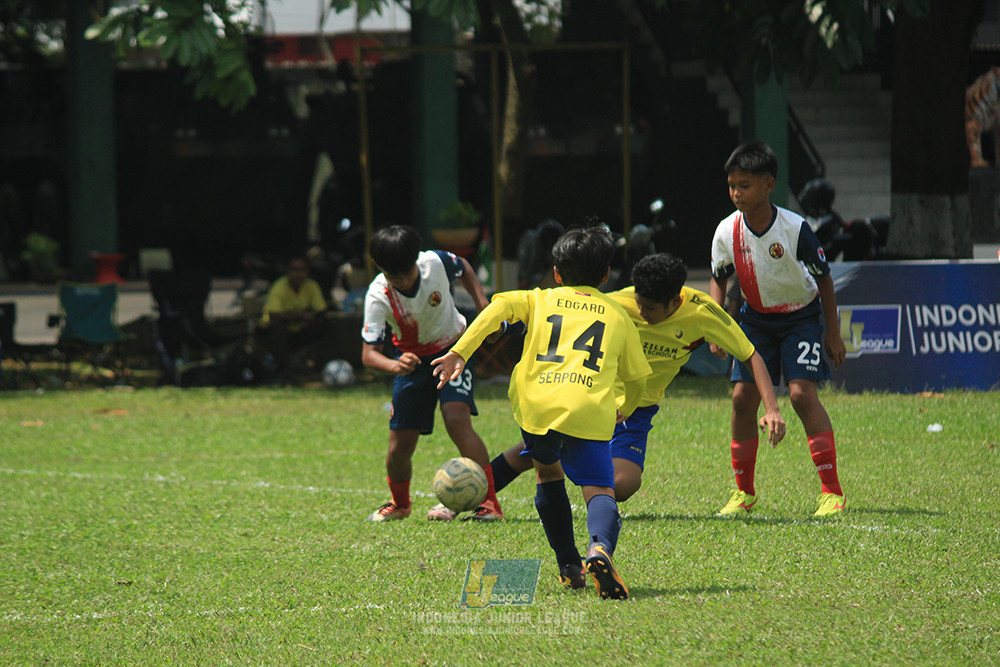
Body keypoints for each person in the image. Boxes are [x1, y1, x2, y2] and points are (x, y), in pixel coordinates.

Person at [432, 225, 651, 600]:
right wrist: (625, 407)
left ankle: (569, 565)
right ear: (605, 275)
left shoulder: (538, 299)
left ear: (557, 273)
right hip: (587, 406)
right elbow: (637, 379)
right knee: (599, 488)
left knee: (547, 473)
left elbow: (495, 309)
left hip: (538, 405)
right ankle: (599, 548)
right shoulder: (618, 315)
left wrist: (460, 352)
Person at [484, 252, 786, 504]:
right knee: (533, 453)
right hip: (594, 398)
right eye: (639, 303)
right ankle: (480, 492)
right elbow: (567, 316)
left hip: (636, 409)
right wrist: (507, 328)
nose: (641, 312)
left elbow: (751, 355)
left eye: (650, 308)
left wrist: (772, 408)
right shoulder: (617, 301)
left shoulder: (703, 313)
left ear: (675, 302)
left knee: (623, 484)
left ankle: (562, 457)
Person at [708, 141, 848, 518]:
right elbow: (719, 278)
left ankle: (831, 492)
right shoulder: (726, 231)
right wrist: (717, 326)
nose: (736, 193)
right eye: (732, 185)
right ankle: (744, 492)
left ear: (769, 185)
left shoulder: (794, 228)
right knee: (742, 399)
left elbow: (824, 280)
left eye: (745, 185)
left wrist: (833, 333)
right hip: (755, 320)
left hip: (800, 317)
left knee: (801, 395)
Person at [361, 225, 504, 522]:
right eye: (394, 276)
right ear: (379, 267)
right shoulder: (377, 295)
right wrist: (394, 365)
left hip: (454, 351)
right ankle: (400, 504)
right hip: (411, 365)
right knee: (398, 449)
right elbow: (368, 355)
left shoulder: (435, 263)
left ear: (416, 258)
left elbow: (463, 267)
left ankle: (489, 503)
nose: (403, 281)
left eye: (407, 273)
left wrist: (483, 307)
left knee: (456, 419)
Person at [259, 254, 329, 383]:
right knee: (276, 327)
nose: (299, 274)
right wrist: (300, 316)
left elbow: (321, 311)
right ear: (288, 271)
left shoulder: (311, 285)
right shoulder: (279, 286)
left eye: (303, 269)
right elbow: (274, 314)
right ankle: (283, 372)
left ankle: (319, 368)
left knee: (325, 325)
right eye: (295, 270)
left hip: (300, 332)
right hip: (276, 335)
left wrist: (313, 318)